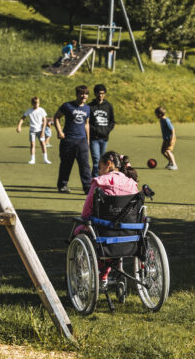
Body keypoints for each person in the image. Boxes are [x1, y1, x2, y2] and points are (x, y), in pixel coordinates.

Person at [75, 151, 139, 286]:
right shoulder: (132, 183)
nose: (98, 171)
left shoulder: (99, 182)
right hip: (130, 236)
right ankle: (103, 275)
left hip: (103, 235)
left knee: (80, 230)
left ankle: (98, 274)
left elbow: (86, 212)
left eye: (99, 167)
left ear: (108, 164)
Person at [54, 85, 91, 194]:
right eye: (81, 93)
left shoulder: (87, 108)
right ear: (77, 94)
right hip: (68, 140)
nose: (84, 96)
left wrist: (88, 139)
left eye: (86, 94)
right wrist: (59, 131)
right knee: (66, 164)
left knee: (85, 165)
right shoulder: (67, 106)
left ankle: (87, 187)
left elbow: (86, 124)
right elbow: (56, 117)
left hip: (82, 141)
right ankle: (62, 185)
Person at [89, 84, 115, 177]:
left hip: (104, 138)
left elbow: (112, 121)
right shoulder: (90, 107)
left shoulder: (108, 106)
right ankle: (95, 181)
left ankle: (99, 179)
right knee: (96, 160)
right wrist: (95, 130)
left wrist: (107, 130)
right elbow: (87, 123)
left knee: (102, 161)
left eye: (102, 93)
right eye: (99, 93)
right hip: (94, 138)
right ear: (95, 94)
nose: (100, 95)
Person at [16, 96, 51, 164]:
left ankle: (45, 159)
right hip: (32, 131)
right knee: (32, 144)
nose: (36, 104)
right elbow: (22, 118)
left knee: (43, 144)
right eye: (35, 103)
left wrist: (43, 131)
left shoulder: (41, 110)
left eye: (38, 103)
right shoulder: (29, 111)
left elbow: (44, 121)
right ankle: (32, 159)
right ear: (32, 103)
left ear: (39, 103)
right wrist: (19, 126)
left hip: (40, 130)